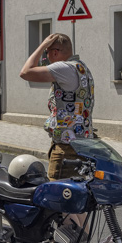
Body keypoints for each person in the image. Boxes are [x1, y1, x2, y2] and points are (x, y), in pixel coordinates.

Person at [20, 33, 94, 179]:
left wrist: (42, 45)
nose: (46, 57)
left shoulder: (63, 68)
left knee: (56, 189)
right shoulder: (81, 67)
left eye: (47, 53)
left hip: (66, 148)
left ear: (55, 52)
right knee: (74, 188)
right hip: (81, 142)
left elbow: (25, 72)